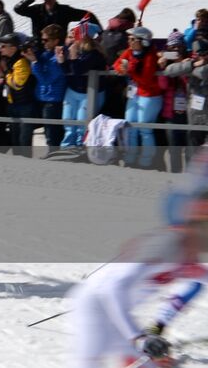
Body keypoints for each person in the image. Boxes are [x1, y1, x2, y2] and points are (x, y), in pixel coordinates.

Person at [65, 199, 208, 368]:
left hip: (117, 316)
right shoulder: (167, 245)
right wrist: (138, 338)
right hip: (95, 306)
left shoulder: (187, 252)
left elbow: (201, 279)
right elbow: (112, 288)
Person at [117, 27, 163, 168]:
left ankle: (147, 160)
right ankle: (130, 158)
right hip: (135, 93)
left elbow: (147, 79)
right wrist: (122, 69)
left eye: (132, 39)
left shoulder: (150, 56)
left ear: (142, 41)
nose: (129, 42)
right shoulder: (130, 51)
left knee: (144, 128)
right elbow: (118, 62)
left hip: (150, 94)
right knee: (130, 125)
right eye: (129, 39)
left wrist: (130, 70)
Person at [13, 0, 90, 35]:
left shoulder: (64, 11)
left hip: (59, 48)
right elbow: (18, 9)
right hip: (40, 48)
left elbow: (87, 15)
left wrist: (99, 33)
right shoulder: (36, 10)